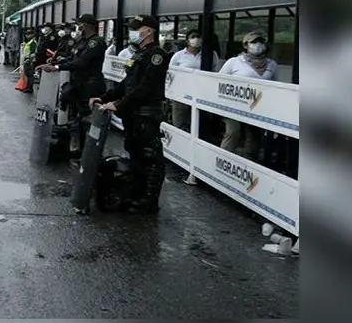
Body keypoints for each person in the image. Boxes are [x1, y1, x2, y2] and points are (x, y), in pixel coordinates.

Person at [89, 15, 170, 214]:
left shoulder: (156, 55)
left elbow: (144, 87)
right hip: (133, 114)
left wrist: (117, 105)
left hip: (146, 114)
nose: (132, 32)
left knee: (150, 157)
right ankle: (137, 194)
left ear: (149, 31)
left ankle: (149, 201)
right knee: (136, 153)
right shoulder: (139, 54)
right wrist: (104, 96)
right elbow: (127, 84)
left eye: (136, 28)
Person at [40, 14, 107, 155]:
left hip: (90, 86)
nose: (78, 27)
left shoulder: (96, 42)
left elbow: (81, 63)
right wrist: (54, 63)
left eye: (80, 24)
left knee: (86, 120)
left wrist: (57, 68)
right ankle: (76, 150)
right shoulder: (82, 42)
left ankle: (89, 154)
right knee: (74, 118)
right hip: (78, 85)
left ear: (87, 25)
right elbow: (72, 58)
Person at [218, 31, 278, 160]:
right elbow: (219, 81)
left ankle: (249, 166)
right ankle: (223, 160)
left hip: (258, 108)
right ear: (245, 45)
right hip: (234, 105)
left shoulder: (272, 65)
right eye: (253, 42)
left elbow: (275, 86)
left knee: (254, 138)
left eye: (260, 42)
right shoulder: (234, 62)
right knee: (233, 133)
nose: (258, 45)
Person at [168, 29, 220, 131]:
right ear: (187, 40)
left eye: (198, 37)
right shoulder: (179, 56)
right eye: (193, 37)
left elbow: (215, 71)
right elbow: (170, 75)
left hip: (201, 94)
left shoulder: (210, 55)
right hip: (181, 95)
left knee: (197, 125)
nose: (196, 39)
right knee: (180, 124)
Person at [20, 28, 37, 93]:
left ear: (32, 35)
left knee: (30, 75)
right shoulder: (29, 42)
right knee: (27, 74)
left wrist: (29, 59)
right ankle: (27, 87)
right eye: (27, 34)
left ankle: (29, 88)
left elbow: (32, 52)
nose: (27, 36)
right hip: (27, 59)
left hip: (30, 60)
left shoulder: (33, 42)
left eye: (29, 34)